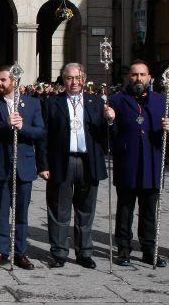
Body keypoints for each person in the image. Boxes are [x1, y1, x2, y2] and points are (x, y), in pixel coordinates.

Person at [38, 63, 113, 269]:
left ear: (84, 79)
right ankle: (59, 252)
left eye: (78, 78)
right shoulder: (52, 103)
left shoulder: (96, 102)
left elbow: (105, 136)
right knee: (59, 209)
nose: (74, 82)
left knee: (86, 210)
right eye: (69, 78)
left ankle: (84, 252)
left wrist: (110, 121)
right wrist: (43, 164)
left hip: (89, 161)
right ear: (63, 80)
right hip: (61, 161)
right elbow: (44, 136)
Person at [109, 60, 169, 267]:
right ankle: (124, 249)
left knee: (149, 211)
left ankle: (149, 250)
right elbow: (109, 136)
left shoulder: (161, 101)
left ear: (149, 78)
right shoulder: (117, 100)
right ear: (129, 77)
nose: (138, 79)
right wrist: (110, 121)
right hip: (127, 163)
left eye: (142, 75)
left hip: (152, 164)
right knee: (125, 210)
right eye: (134, 75)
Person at [0, 66, 45, 270]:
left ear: (14, 81)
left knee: (21, 213)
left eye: (2, 80)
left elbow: (40, 131)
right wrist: (6, 124)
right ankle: (1, 251)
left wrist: (22, 127)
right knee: (0, 212)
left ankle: (20, 252)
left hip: (23, 165)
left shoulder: (32, 103)